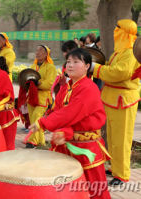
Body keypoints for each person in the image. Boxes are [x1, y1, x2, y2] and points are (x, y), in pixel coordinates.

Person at [29, 48, 111, 199]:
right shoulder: (67, 87)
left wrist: (43, 123)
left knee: (94, 191)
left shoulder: (89, 88)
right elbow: (59, 111)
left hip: (86, 148)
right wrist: (64, 132)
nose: (70, 65)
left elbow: (71, 113)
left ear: (87, 66)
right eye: (68, 62)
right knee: (68, 190)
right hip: (67, 144)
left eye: (76, 62)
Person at [91, 19, 140, 185]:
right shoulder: (119, 52)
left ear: (125, 32)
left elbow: (120, 73)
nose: (115, 32)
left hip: (123, 100)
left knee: (122, 138)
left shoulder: (132, 52)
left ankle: (122, 174)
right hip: (112, 97)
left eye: (117, 29)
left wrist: (96, 68)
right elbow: (111, 69)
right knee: (112, 137)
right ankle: (115, 166)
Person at [23, 45, 57, 148]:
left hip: (42, 99)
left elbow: (49, 84)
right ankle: (41, 142)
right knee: (34, 120)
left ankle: (32, 142)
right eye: (36, 50)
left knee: (36, 118)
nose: (37, 53)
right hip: (31, 97)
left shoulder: (50, 67)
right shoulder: (33, 67)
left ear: (46, 54)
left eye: (40, 51)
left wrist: (37, 83)